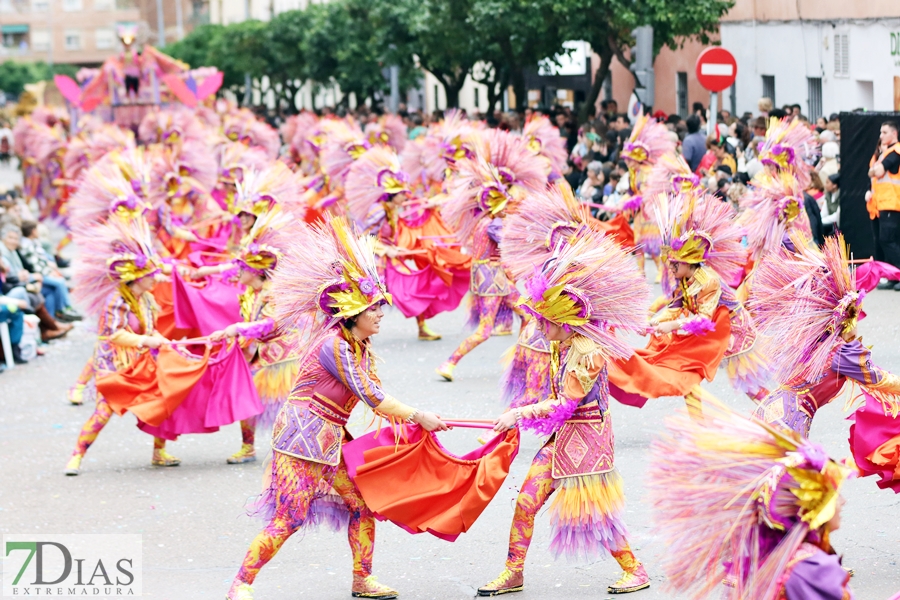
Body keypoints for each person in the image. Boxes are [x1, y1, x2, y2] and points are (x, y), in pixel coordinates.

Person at [226, 217, 447, 600]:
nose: (380, 315)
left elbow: (375, 392)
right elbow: (372, 397)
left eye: (381, 308)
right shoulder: (336, 346)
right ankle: (240, 584)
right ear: (352, 314)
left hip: (330, 440)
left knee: (362, 506)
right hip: (302, 441)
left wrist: (413, 417)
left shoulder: (357, 346)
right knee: (288, 519)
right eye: (374, 309)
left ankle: (363, 580)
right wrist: (418, 416)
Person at [478, 228, 651, 597]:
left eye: (544, 321)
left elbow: (565, 402)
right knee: (525, 502)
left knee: (597, 514)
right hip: (563, 437)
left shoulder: (587, 351)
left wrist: (518, 414)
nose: (539, 327)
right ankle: (513, 573)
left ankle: (635, 570)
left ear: (564, 321)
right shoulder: (563, 343)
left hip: (587, 440)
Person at [649, 396, 855, 600]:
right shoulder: (810, 568)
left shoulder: (773, 558)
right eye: (834, 494)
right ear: (808, 508)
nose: (843, 501)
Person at [749, 233, 900, 440]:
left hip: (773, 408)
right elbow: (879, 379)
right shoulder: (843, 353)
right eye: (856, 318)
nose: (857, 327)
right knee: (787, 471)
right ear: (846, 321)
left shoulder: (820, 342)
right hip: (789, 419)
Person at [64, 216, 176, 476]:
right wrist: (147, 340)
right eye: (151, 276)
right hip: (114, 363)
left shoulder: (147, 299)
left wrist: (161, 339)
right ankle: (76, 456)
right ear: (136, 278)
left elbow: (149, 328)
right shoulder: (117, 299)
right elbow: (114, 334)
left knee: (163, 402)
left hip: (140, 361)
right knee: (103, 413)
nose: (156, 279)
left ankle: (159, 453)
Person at [867, 121, 900, 288]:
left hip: (892, 204)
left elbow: (877, 172)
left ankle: (898, 274)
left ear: (894, 134)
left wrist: (875, 170)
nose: (881, 136)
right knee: (888, 240)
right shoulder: (886, 153)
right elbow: (872, 172)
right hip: (884, 204)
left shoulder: (895, 152)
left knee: (887, 240)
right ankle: (894, 276)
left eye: (884, 132)